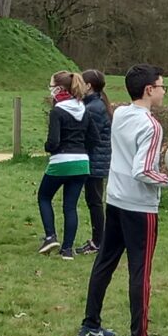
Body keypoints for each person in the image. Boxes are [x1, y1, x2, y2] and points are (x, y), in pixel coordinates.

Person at [78, 64, 168, 336]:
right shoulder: (152, 126)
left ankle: (90, 326)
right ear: (149, 89)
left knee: (104, 262)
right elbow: (142, 171)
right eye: (162, 86)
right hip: (140, 207)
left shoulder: (122, 113)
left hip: (115, 200)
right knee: (141, 271)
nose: (164, 91)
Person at [37, 71, 98, 259]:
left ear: (59, 88)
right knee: (70, 206)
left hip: (61, 161)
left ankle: (50, 236)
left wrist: (48, 147)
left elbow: (53, 142)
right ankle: (67, 250)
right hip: (82, 163)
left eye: (51, 85)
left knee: (44, 197)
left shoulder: (57, 111)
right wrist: (81, 150)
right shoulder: (84, 109)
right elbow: (95, 138)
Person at [77, 69, 112, 255]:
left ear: (89, 86)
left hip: (95, 160)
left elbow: (91, 137)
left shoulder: (94, 108)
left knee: (95, 201)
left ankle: (99, 241)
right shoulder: (95, 104)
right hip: (96, 159)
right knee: (94, 200)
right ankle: (100, 240)